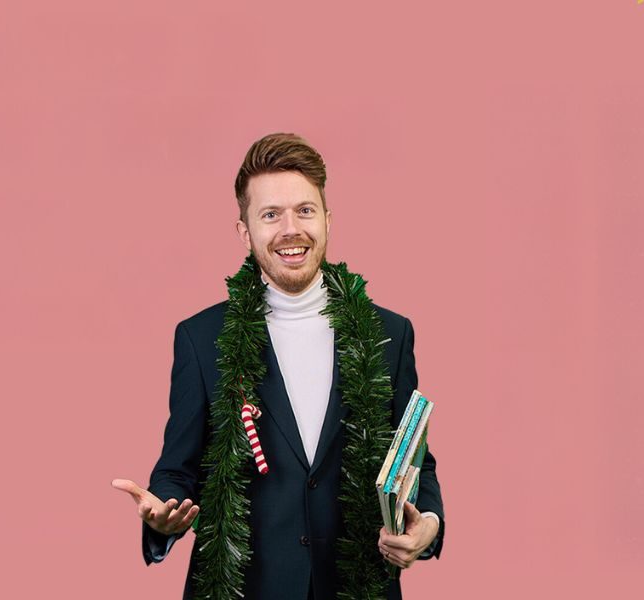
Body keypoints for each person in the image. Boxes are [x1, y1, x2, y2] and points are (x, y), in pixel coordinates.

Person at [112, 133, 445, 599]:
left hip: (357, 586)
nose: (291, 229)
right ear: (245, 232)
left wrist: (427, 525)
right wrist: (164, 512)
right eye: (271, 215)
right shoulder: (201, 338)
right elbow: (178, 469)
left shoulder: (390, 334)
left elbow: (416, 466)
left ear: (327, 220)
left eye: (305, 211)